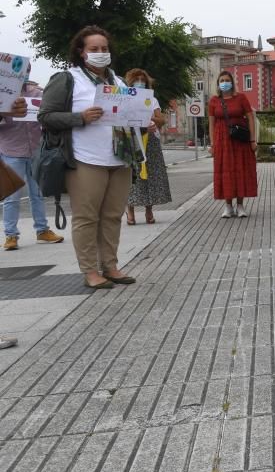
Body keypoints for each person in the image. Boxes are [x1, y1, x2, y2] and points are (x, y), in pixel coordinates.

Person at [38, 25, 144, 289]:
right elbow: (46, 117)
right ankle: (90, 271)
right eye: (94, 49)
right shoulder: (67, 79)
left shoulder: (117, 82)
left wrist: (143, 121)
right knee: (87, 217)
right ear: (81, 52)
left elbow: (127, 116)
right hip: (85, 159)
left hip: (119, 159)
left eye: (104, 49)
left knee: (112, 215)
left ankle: (110, 266)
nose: (100, 53)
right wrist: (80, 117)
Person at [1, 76, 65, 251]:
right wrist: (5, 112)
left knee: (37, 193)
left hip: (37, 149)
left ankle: (42, 231)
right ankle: (11, 235)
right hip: (11, 150)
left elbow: (48, 116)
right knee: (11, 197)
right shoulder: (2, 93)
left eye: (25, 69)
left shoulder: (38, 93)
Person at [124, 68, 172, 225]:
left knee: (149, 174)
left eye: (143, 81)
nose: (140, 83)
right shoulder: (125, 98)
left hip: (150, 141)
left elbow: (161, 120)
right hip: (131, 141)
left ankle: (149, 210)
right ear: (130, 83)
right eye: (136, 80)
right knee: (131, 175)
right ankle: (129, 210)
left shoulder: (152, 100)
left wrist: (148, 117)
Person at [208, 71, 258, 218]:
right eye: (222, 80)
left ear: (232, 82)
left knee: (240, 170)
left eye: (227, 80)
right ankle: (228, 206)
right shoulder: (214, 101)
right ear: (218, 84)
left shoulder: (241, 98)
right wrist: (212, 144)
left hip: (240, 141)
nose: (225, 82)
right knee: (225, 171)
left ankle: (240, 206)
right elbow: (211, 124)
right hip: (221, 141)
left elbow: (250, 118)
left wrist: (252, 140)